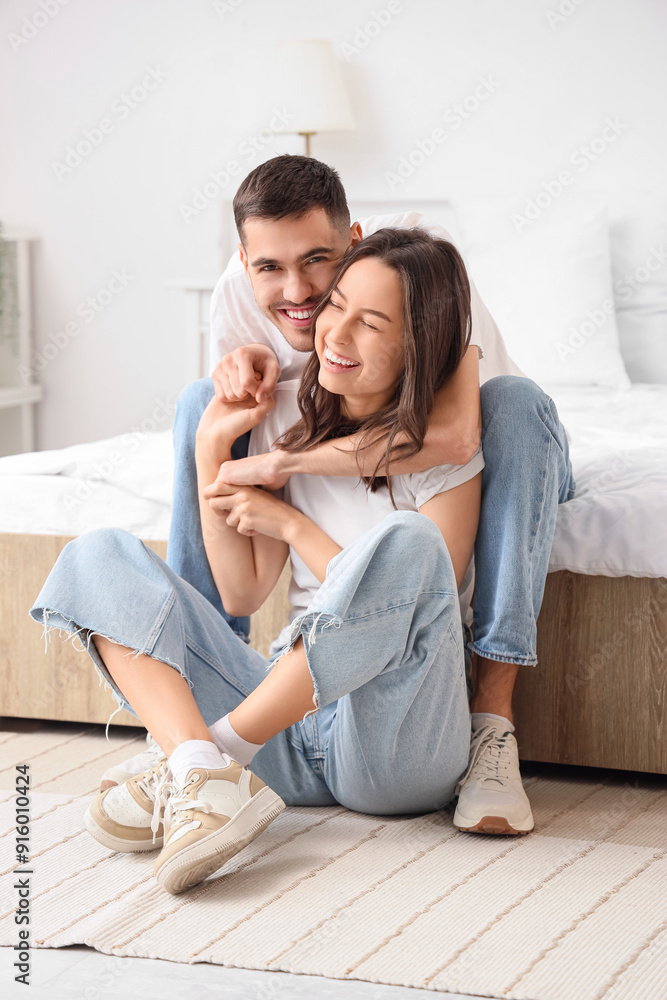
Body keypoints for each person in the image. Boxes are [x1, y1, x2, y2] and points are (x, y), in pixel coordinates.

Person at [102, 155, 575, 834]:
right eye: (268, 267)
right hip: (332, 478)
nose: (296, 291)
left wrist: (283, 469)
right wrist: (223, 448)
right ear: (243, 261)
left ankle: (490, 723)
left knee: (515, 409)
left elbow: (453, 439)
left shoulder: (419, 270)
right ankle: (189, 726)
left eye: (318, 263)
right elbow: (243, 563)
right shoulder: (240, 295)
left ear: (351, 242)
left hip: (495, 446)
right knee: (196, 404)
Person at [31, 227, 488, 896]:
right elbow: (241, 593)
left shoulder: (447, 457)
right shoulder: (288, 421)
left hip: (394, 744)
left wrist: (291, 523)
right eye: (336, 306)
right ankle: (199, 765)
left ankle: (214, 757)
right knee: (95, 555)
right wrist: (210, 451)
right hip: (286, 722)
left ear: (417, 341)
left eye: (371, 322)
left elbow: (411, 608)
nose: (334, 333)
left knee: (409, 543)